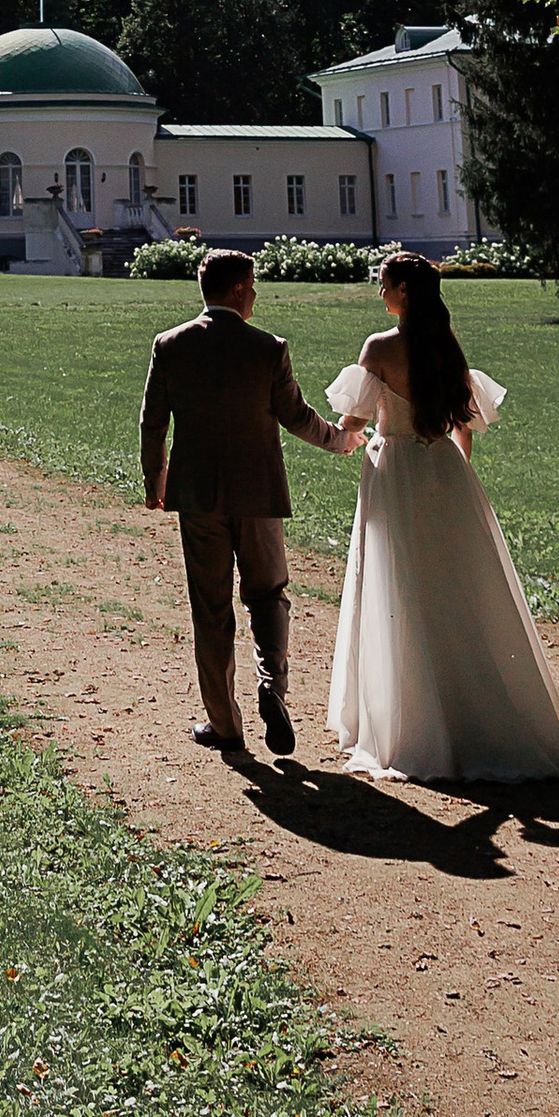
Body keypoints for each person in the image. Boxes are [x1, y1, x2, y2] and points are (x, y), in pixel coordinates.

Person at [323, 249, 559, 783]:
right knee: (455, 587)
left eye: (385, 285)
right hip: (444, 471)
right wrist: (450, 467)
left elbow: (353, 416)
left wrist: (357, 433)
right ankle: (471, 705)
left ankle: (406, 720)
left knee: (399, 587)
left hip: (395, 470)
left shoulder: (380, 347)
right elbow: (464, 426)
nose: (380, 294)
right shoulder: (447, 348)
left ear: (402, 292)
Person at [141, 246, 367, 759]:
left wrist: (155, 478)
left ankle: (224, 723)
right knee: (268, 594)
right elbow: (295, 415)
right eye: (254, 285)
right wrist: (341, 440)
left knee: (211, 607)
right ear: (239, 290)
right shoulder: (268, 348)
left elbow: (153, 419)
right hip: (259, 492)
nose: (256, 293)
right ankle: (273, 687)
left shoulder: (170, 345)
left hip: (198, 495)